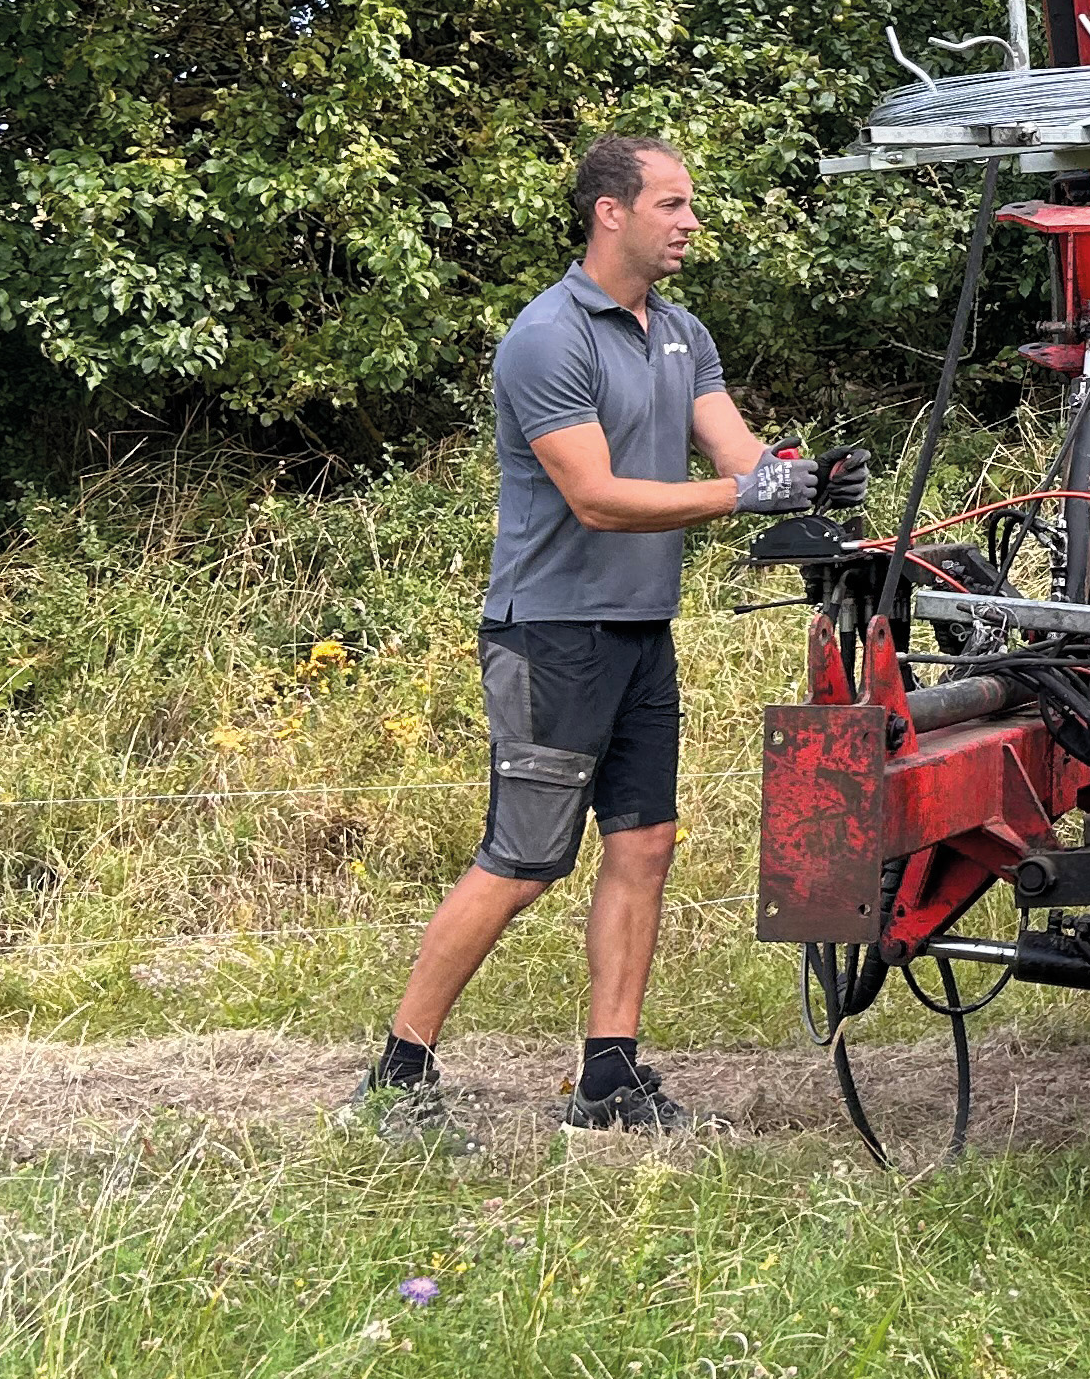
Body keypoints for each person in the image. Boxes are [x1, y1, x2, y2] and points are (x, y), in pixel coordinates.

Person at [343, 134, 864, 1147]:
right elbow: (596, 498)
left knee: (646, 844)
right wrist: (743, 493)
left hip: (636, 632)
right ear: (610, 212)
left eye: (690, 204)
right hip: (551, 636)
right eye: (672, 203)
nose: (690, 221)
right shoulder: (548, 337)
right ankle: (397, 1076)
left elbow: (738, 454)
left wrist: (800, 482)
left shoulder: (681, 332)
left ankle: (608, 1078)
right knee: (525, 859)